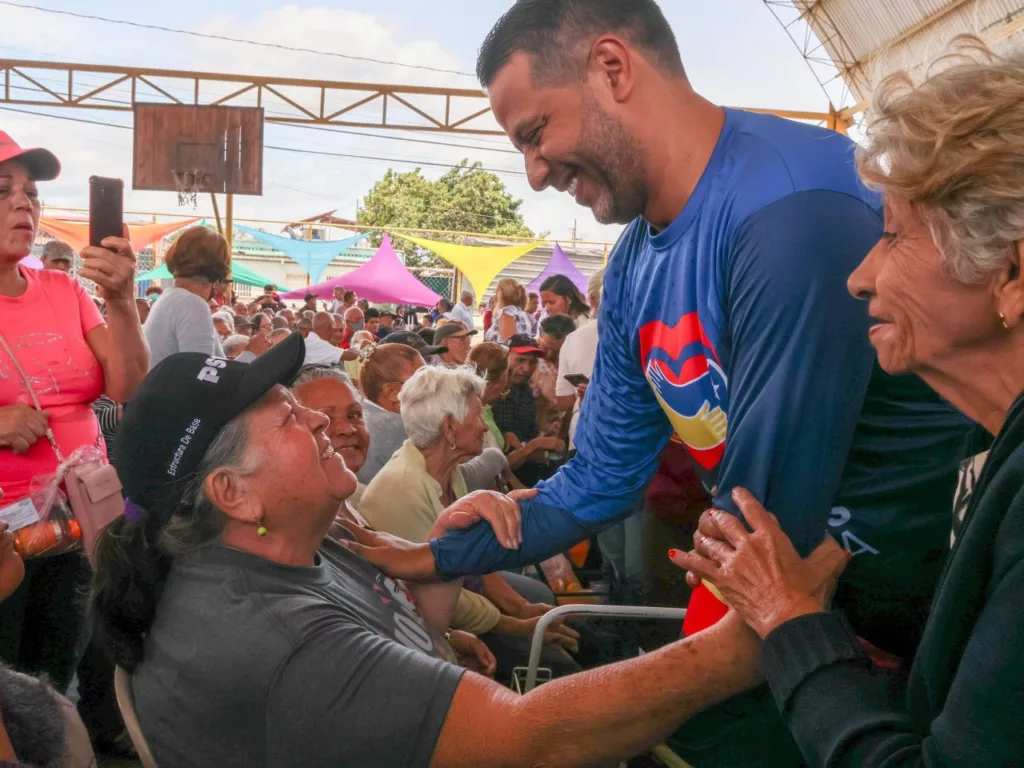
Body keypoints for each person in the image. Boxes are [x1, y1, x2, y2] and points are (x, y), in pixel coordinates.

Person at [416, 5, 973, 762]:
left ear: (612, 68)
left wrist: (554, 724)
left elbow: (763, 525)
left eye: (534, 133)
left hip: (929, 644)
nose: (535, 173)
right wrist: (433, 552)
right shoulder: (638, 261)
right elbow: (603, 477)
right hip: (804, 633)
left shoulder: (788, 209)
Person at [93, 333, 809, 768]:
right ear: (233, 493)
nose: (319, 417)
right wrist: (751, 639)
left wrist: (443, 550)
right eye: (286, 414)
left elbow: (416, 626)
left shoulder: (299, 542)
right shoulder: (281, 641)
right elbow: (531, 741)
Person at [671, 45, 1024, 766]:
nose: (860, 278)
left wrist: (790, 620)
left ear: (1011, 272)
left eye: (893, 235)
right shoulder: (988, 453)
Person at [0, 133, 148, 691]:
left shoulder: (63, 289)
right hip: (4, 539)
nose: (24, 203)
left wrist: (122, 301)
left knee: (54, 678)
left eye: (31, 193)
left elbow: (128, 384)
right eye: (3, 189)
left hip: (80, 521)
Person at [359, 366, 580, 680]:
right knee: (560, 664)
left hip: (463, 598)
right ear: (449, 427)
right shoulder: (402, 488)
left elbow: (475, 558)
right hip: (438, 625)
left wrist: (519, 607)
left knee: (545, 607)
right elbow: (444, 591)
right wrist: (518, 625)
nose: (484, 428)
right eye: (477, 416)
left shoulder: (451, 472)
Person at [357, 343, 508, 489]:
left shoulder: (366, 416)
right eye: (422, 379)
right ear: (392, 392)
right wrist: (496, 457)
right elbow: (454, 484)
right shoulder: (401, 428)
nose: (435, 383)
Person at [143, 226, 230, 369]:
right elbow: (200, 377)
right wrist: (250, 355)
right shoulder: (192, 304)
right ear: (220, 273)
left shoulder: (169, 298)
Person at [490, 335, 565, 486]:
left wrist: (547, 436)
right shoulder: (489, 396)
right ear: (505, 356)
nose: (526, 368)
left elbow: (528, 439)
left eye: (532, 362)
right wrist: (537, 444)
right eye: (520, 360)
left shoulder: (525, 392)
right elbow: (496, 464)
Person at [291, 366, 371, 507]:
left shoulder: (363, 500)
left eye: (354, 415)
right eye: (325, 418)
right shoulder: (294, 523)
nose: (348, 429)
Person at [485, 278, 533, 342]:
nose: (495, 296)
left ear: (500, 293)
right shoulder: (520, 312)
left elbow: (509, 343)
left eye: (496, 292)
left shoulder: (507, 313)